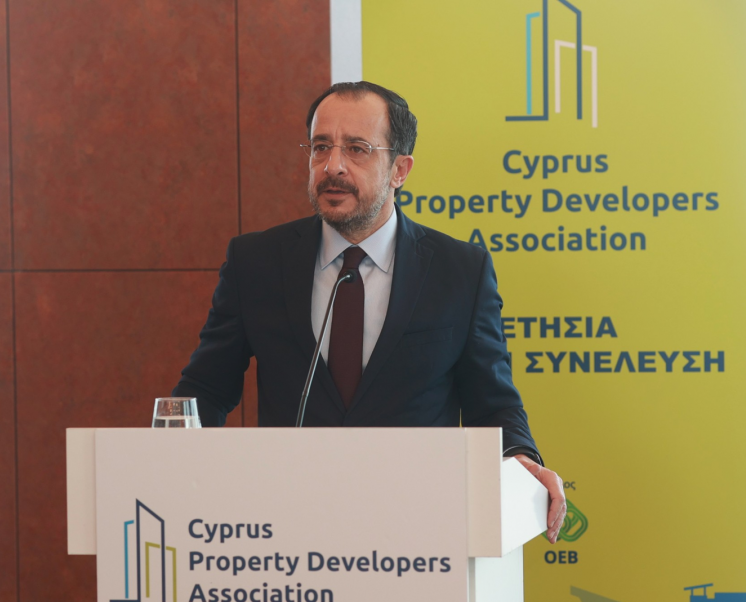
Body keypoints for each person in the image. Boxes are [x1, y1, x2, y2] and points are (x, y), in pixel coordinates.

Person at [173, 81, 566, 543]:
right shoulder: (257, 263)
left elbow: (492, 401)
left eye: (357, 149)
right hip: (288, 529)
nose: (332, 166)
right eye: (321, 147)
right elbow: (206, 389)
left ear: (400, 169)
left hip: (417, 531)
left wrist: (520, 457)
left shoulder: (460, 271)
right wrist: (171, 461)